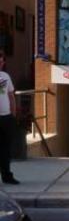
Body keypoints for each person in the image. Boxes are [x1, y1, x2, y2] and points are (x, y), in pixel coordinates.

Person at [0, 50, 19, 184]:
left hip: (6, 118)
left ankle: (7, 176)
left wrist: (13, 115)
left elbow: (11, 96)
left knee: (5, 149)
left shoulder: (5, 76)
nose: (1, 63)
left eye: (2, 61)